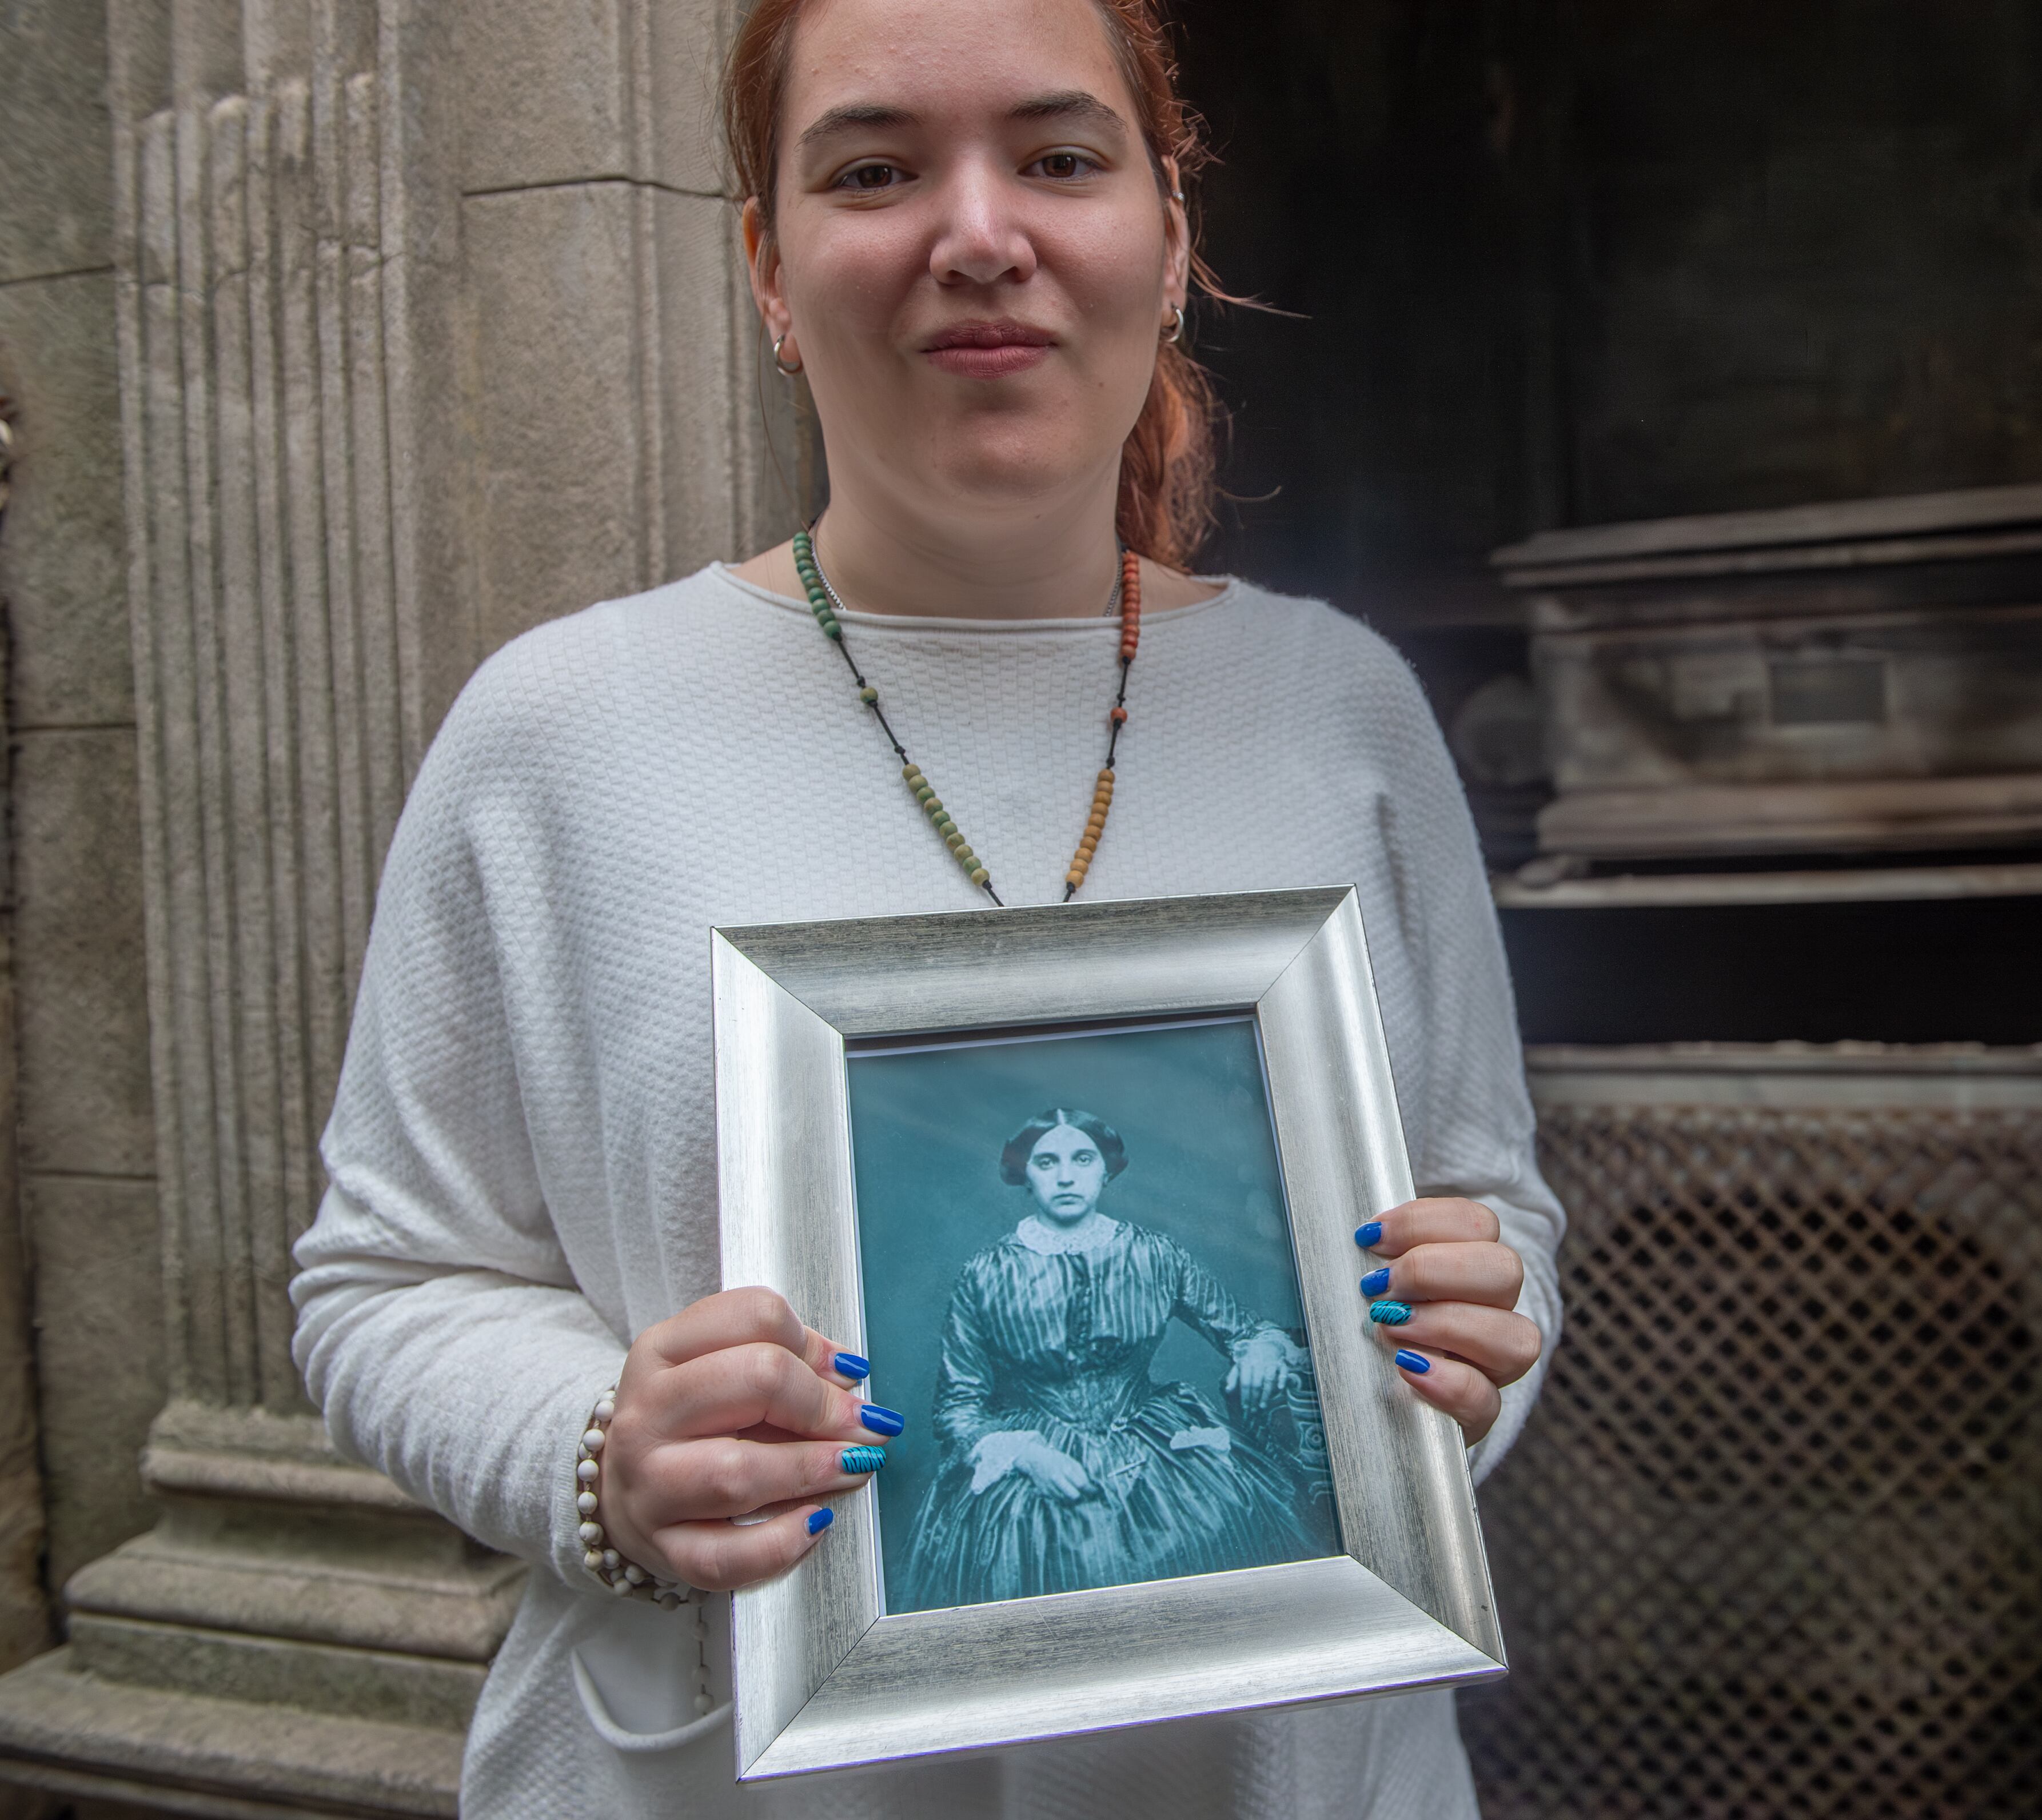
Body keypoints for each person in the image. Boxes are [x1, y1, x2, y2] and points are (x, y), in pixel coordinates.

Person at [286, 0, 1562, 1813]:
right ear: (770, 267)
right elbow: (385, 1278)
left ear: (1170, 235)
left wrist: (1454, 1359)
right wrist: (602, 1459)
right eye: (875, 169)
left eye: (1058, 157)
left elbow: (1490, 1201)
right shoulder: (562, 733)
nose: (980, 235)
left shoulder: (1339, 708)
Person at [896, 1109, 1332, 1611]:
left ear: (1106, 1170)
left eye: (1082, 1159)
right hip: (1036, 1457)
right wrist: (1028, 1455)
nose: (1065, 1176)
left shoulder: (1156, 1255)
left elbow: (1244, 1329)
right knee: (1060, 1561)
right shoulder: (985, 1275)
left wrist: (1259, 1350)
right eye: (1046, 1161)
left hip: (1157, 1445)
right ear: (1025, 1175)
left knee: (1224, 1532)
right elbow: (957, 1410)